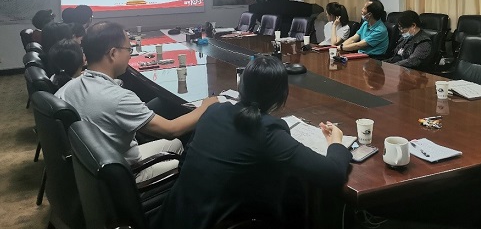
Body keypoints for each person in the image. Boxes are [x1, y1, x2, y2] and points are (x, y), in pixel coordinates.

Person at [157, 56, 351, 229]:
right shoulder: (268, 131)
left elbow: (185, 162)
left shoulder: (214, 111)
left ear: (241, 86)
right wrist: (336, 142)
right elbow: (333, 173)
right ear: (282, 95)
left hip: (173, 217)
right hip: (218, 223)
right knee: (294, 191)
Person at [55, 21, 217, 182]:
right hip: (122, 177)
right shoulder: (118, 98)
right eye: (128, 50)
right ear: (113, 53)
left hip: (91, 169)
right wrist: (206, 106)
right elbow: (171, 130)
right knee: (189, 165)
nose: (130, 55)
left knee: (175, 144)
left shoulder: (67, 88)